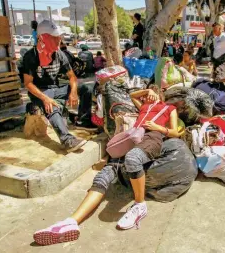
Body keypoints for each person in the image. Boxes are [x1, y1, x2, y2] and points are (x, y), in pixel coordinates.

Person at [33, 85, 182, 245]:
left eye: (152, 95)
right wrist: (147, 91)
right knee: (103, 176)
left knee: (132, 159)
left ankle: (140, 205)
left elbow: (175, 132)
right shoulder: (144, 106)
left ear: (160, 95)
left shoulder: (168, 108)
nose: (147, 98)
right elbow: (132, 95)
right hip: (131, 138)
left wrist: (158, 127)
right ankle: (71, 222)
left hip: (152, 138)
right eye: (147, 96)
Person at [21, 20, 97, 152]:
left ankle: (83, 121)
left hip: (57, 88)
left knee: (86, 88)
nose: (59, 40)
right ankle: (67, 140)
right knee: (52, 107)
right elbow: (28, 84)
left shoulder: (59, 54)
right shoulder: (30, 57)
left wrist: (73, 91)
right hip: (40, 91)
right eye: (54, 37)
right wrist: (45, 99)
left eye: (58, 37)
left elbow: (72, 77)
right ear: (42, 38)